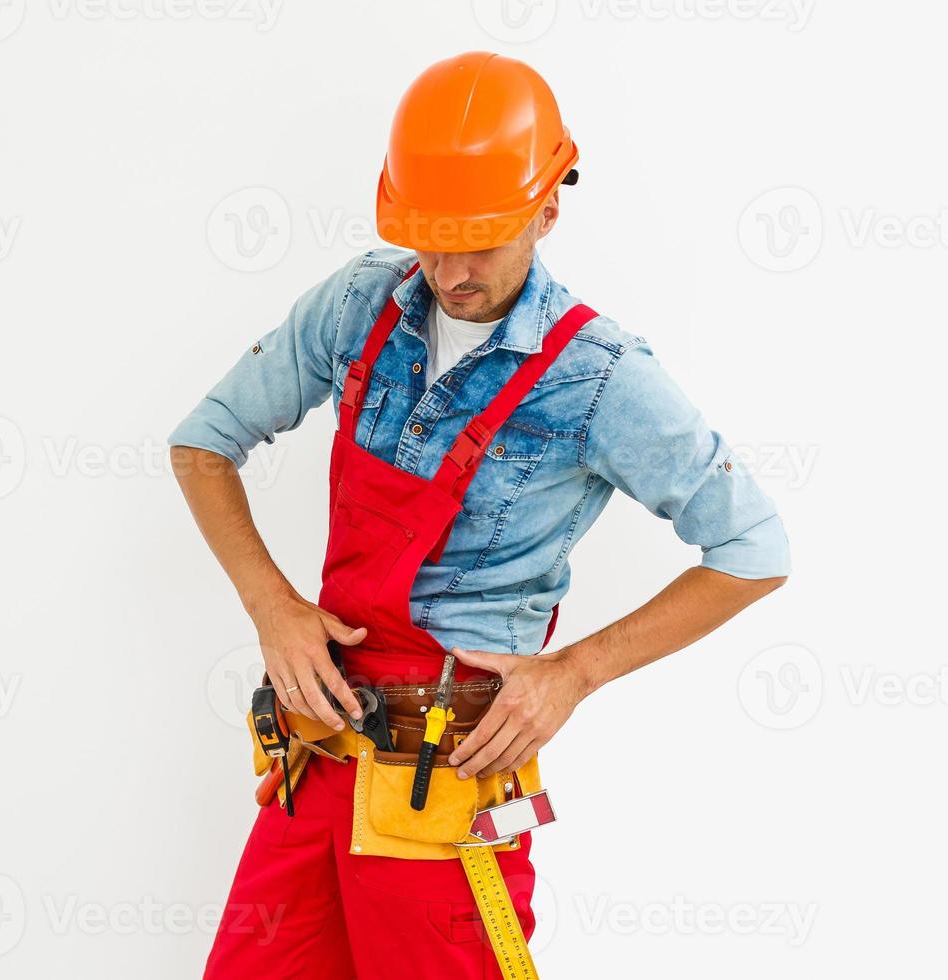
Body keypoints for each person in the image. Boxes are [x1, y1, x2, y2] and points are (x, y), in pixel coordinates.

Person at [169, 51, 790, 979]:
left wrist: (574, 673)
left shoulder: (599, 377)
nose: (451, 271)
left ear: (547, 208)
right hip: (317, 758)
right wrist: (273, 607)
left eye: (483, 240)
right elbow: (204, 441)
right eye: (430, 236)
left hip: (446, 794)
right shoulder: (357, 306)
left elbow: (755, 549)